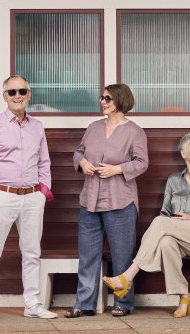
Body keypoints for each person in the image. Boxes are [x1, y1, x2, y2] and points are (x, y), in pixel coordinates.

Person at [102, 133, 190, 318]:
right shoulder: (173, 181)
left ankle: (128, 276)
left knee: (160, 223)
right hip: (179, 235)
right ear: (183, 153)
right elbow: (165, 214)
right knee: (166, 243)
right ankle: (184, 298)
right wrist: (174, 224)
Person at [0, 76, 57, 324]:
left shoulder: (37, 126)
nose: (17, 96)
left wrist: (43, 191)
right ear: (4, 96)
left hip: (32, 198)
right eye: (12, 92)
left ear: (29, 94)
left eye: (22, 91)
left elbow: (44, 162)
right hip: (2, 195)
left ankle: (32, 304)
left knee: (31, 253)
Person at [65, 83, 149, 318]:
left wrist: (117, 169)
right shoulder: (93, 127)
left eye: (108, 98)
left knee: (122, 255)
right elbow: (78, 153)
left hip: (120, 201)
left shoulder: (134, 131)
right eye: (102, 98)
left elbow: (142, 162)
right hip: (89, 200)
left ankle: (123, 303)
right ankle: (85, 304)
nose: (103, 102)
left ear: (121, 100)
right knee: (88, 255)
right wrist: (82, 163)